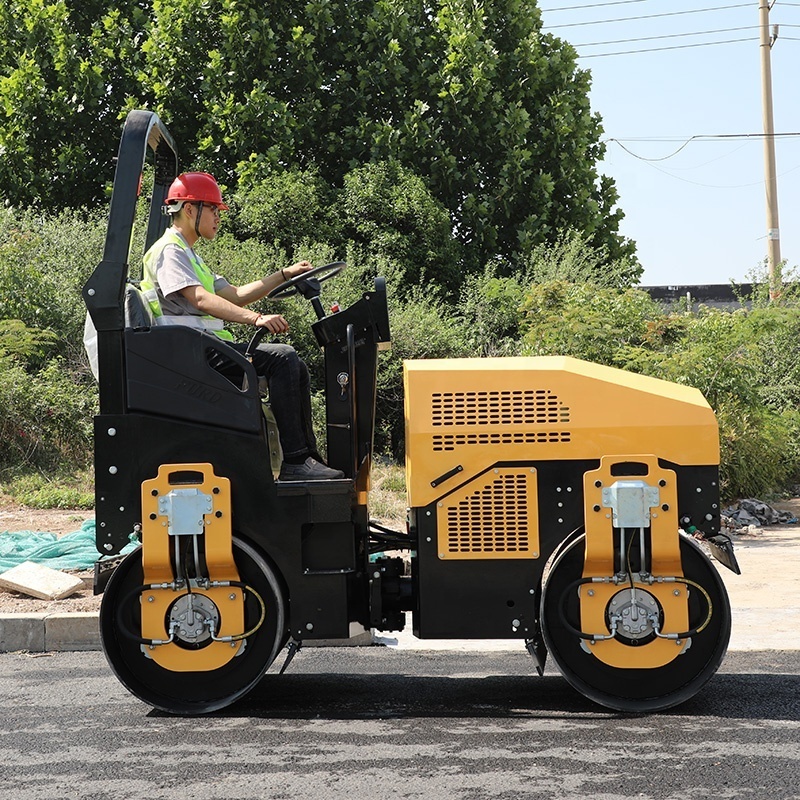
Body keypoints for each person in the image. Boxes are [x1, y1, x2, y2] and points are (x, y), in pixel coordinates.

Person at [141, 171, 343, 481]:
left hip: (201, 347)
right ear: (190, 209)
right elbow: (201, 300)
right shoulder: (171, 252)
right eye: (213, 209)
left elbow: (235, 295)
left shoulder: (189, 253)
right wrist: (257, 319)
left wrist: (285, 274)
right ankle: (295, 461)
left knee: (295, 366)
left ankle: (306, 459)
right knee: (282, 359)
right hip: (191, 353)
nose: (218, 217)